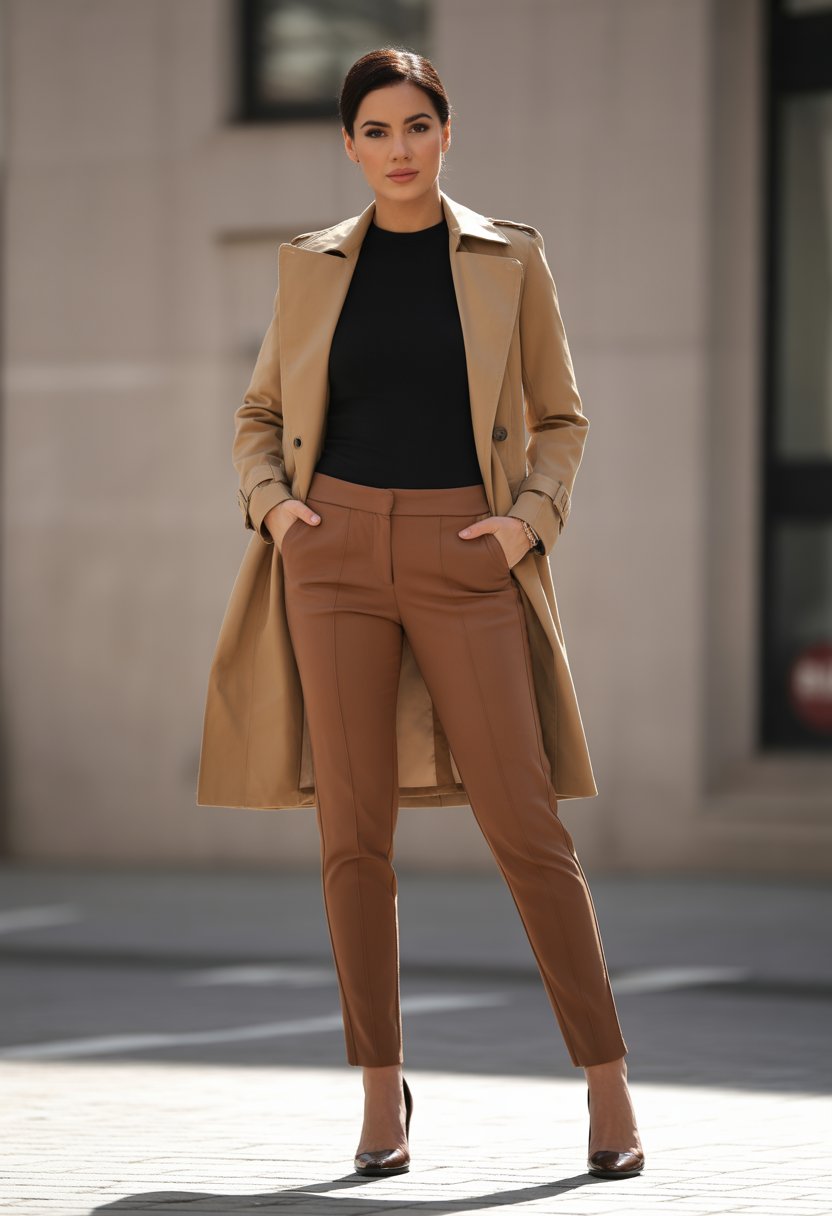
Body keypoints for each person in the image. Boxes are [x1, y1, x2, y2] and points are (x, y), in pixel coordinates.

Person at [200, 47, 645, 1181]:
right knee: (352, 832)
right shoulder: (309, 268)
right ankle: (379, 1089)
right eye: (375, 131)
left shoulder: (509, 258)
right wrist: (277, 511)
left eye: (416, 125)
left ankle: (605, 1081)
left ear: (448, 133)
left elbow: (562, 418)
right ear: (348, 147)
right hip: (332, 552)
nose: (397, 148)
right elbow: (259, 413)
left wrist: (523, 527)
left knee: (525, 821)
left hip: (466, 551)